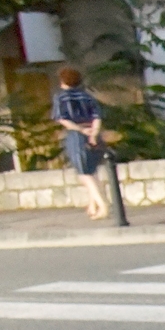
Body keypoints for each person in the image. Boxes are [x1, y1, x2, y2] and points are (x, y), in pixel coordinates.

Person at [50, 65, 110, 219]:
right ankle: (93, 205)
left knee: (84, 173)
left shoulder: (61, 97)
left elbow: (62, 118)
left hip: (77, 135)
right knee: (92, 170)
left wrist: (81, 130)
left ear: (63, 81)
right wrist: (94, 133)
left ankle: (103, 205)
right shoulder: (87, 96)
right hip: (93, 133)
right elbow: (97, 116)